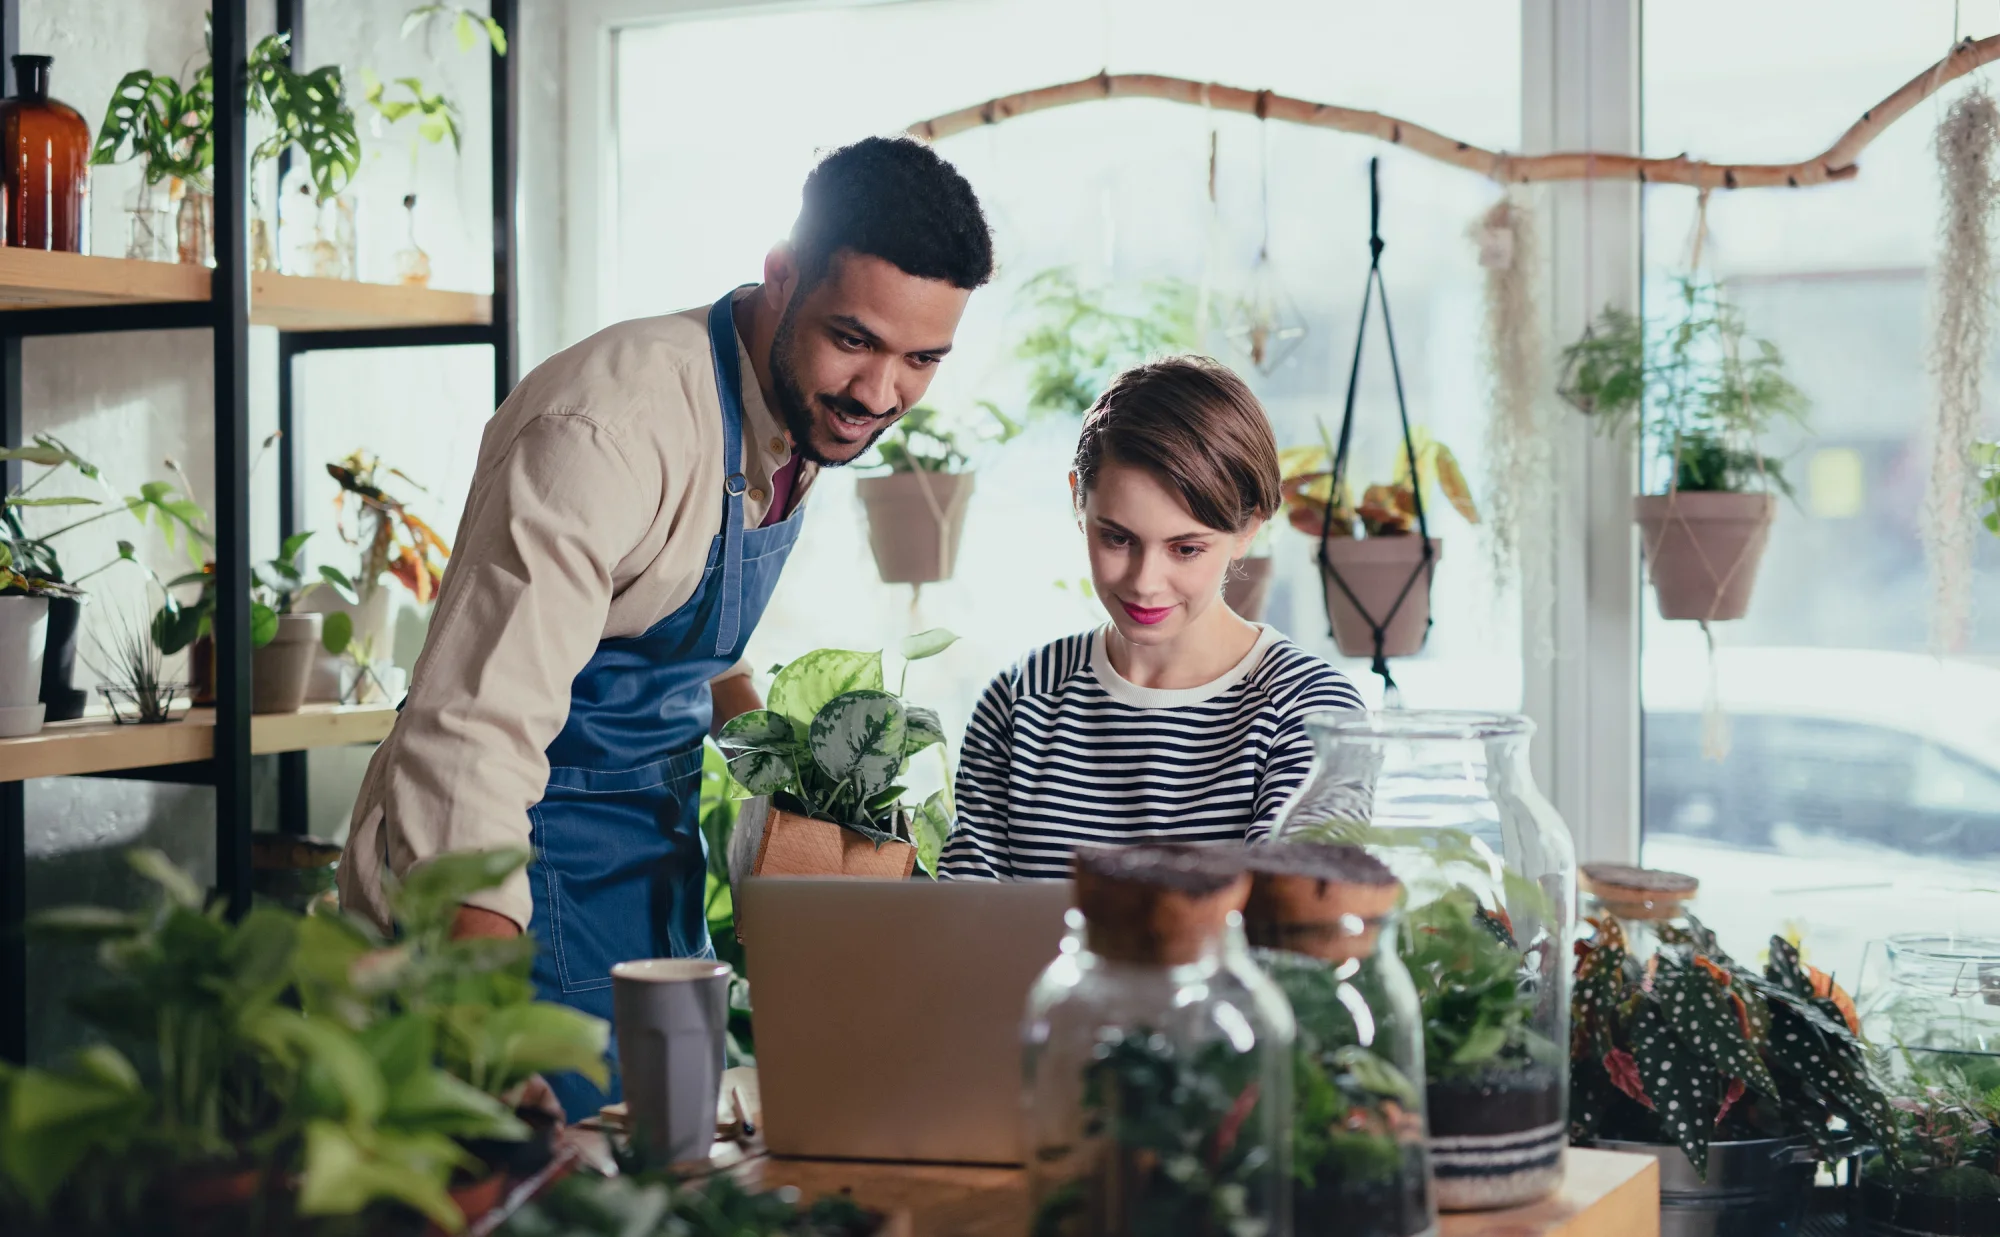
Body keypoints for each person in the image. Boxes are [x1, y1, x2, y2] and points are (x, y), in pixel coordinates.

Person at [336, 137, 994, 1117]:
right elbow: (472, 731)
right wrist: (478, 1023)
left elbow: (680, 634)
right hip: (512, 879)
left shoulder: (792, 412)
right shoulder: (607, 427)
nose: (878, 393)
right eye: (853, 340)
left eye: (921, 359)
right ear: (780, 274)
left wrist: (795, 781)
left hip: (650, 869)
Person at [939, 357, 1362, 880]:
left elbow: (1293, 932)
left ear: (1248, 526)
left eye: (1185, 549)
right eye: (1118, 538)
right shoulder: (1019, 702)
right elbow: (965, 925)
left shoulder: (1314, 713)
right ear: (1078, 498)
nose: (1144, 581)